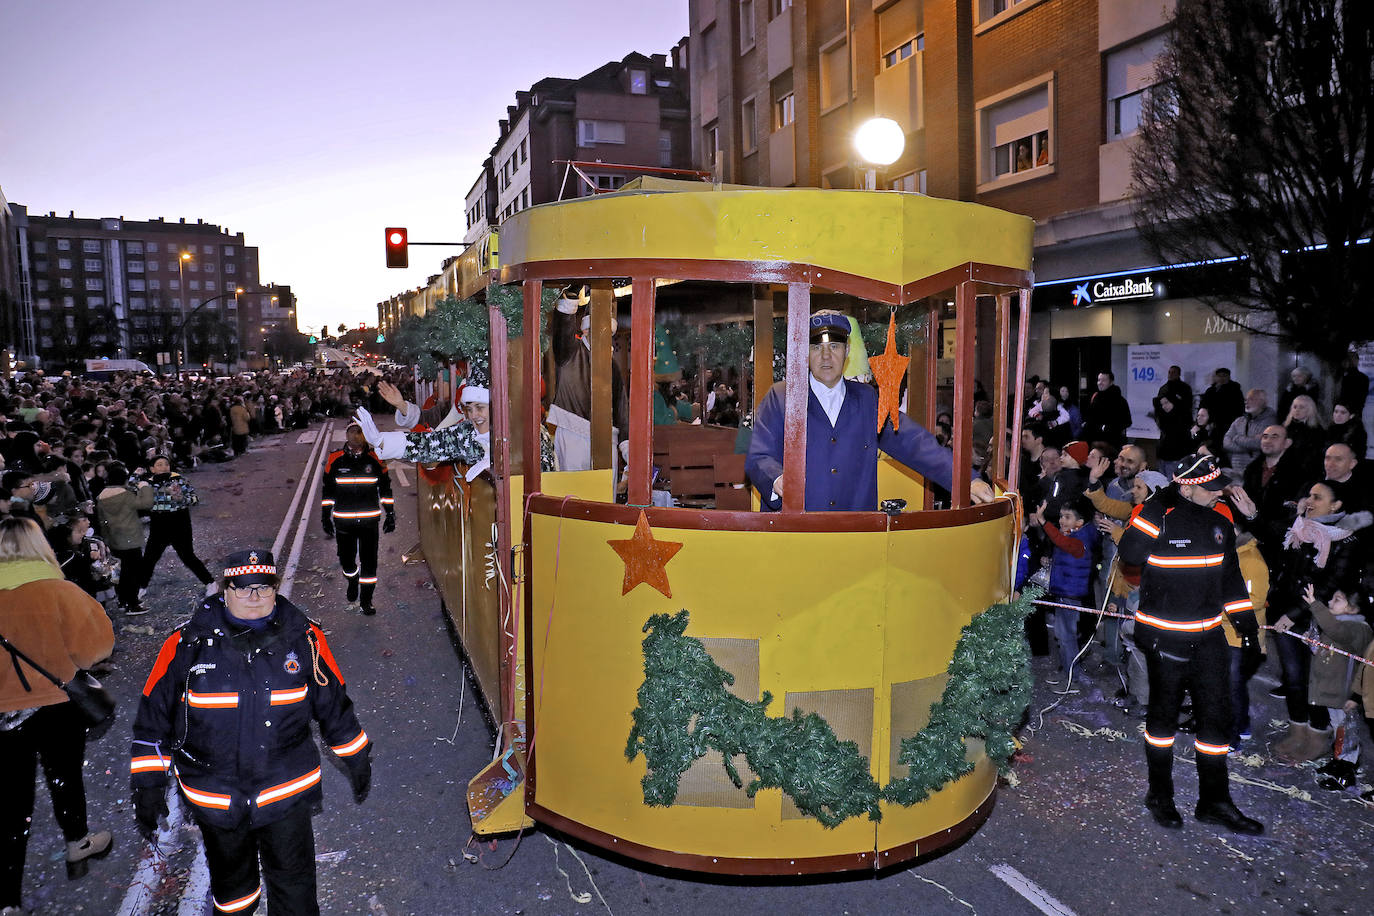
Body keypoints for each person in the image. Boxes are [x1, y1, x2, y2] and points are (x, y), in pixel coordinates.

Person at [130, 549, 372, 916]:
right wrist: (147, 782)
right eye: (243, 589)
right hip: (217, 799)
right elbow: (153, 717)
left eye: (264, 587)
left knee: (295, 893)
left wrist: (355, 755)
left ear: (275, 589)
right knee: (233, 896)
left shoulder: (305, 639)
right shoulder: (184, 644)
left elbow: (333, 703)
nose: (255, 597)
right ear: (224, 590)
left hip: (285, 792)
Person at [1116, 453, 1264, 834]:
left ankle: (1214, 801)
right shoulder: (1158, 516)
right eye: (1210, 489)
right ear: (1185, 487)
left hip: (1210, 637)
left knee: (1216, 721)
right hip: (1164, 635)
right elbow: (1130, 554)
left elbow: (1230, 578)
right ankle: (1159, 795)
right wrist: (1157, 502)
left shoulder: (1219, 523)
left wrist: (1246, 624)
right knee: (1163, 719)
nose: (1218, 494)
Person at [745, 311, 993, 511]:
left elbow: (914, 442)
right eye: (817, 347)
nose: (826, 356)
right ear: (805, 354)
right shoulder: (780, 397)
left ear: (847, 351)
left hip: (857, 535)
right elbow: (759, 457)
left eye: (834, 346)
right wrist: (778, 479)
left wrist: (964, 479)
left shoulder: (867, 400)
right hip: (795, 532)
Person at [0, 517, 115, 911]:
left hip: (1, 715)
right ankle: (77, 843)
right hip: (55, 706)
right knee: (64, 776)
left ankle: (6, 900)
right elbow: (96, 650)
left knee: (10, 805)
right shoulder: (59, 590)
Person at [1268, 479, 1370, 764]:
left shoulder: (1346, 539)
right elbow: (1281, 562)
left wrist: (1295, 613)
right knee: (1293, 678)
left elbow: (1330, 584)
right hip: (1285, 612)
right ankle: (1297, 730)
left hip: (1319, 620)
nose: (1310, 500)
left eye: (1318, 497)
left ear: (1336, 505)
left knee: (1319, 682)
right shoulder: (1298, 528)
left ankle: (1318, 735)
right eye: (1309, 495)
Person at [1299, 581, 1372, 791]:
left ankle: (1345, 770)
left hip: (1345, 690)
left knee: (1346, 729)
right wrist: (1313, 644)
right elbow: (1329, 650)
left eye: (1337, 600)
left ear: (1353, 608)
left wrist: (1315, 604)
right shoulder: (1339, 623)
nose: (1331, 602)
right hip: (1331, 688)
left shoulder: (1357, 628)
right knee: (1338, 725)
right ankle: (1339, 760)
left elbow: (1337, 632)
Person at [321, 422, 395, 615]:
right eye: (352, 432)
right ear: (346, 435)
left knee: (369, 562)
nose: (355, 436)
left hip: (370, 522)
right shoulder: (335, 459)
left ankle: (366, 601)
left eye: (359, 432)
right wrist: (325, 516)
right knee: (347, 561)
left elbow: (385, 489)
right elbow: (328, 490)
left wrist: (390, 514)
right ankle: (352, 580)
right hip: (343, 522)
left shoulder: (376, 459)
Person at [1031, 496, 1099, 685]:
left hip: (1070, 596)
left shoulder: (1080, 540)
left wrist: (1044, 521)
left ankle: (1071, 677)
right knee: (1063, 636)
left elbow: (1061, 542)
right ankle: (1067, 671)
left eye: (1067, 517)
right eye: (1061, 516)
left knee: (1066, 636)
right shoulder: (1072, 535)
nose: (1062, 520)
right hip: (1063, 592)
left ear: (1080, 522)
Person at [141, 456, 216, 597]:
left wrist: (182, 499)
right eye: (159, 464)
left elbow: (194, 499)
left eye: (166, 464)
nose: (164, 467)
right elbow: (142, 499)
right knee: (150, 558)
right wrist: (135, 475)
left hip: (180, 521)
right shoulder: (146, 484)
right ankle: (141, 587)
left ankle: (210, 582)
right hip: (159, 523)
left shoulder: (178, 479)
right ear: (152, 469)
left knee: (187, 556)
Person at [95, 461, 154, 616]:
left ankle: (122, 601)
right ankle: (132, 604)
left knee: (119, 572)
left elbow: (102, 521)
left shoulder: (101, 497)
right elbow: (146, 503)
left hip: (114, 540)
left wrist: (106, 540)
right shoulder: (125, 495)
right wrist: (144, 487)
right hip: (130, 539)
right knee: (133, 572)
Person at [1222, 389, 1278, 471]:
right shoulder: (1239, 421)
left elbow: (1259, 443)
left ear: (1262, 402)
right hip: (1237, 469)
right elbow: (1226, 443)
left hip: (1258, 470)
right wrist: (1249, 446)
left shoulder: (1270, 421)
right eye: (1246, 399)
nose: (1246, 402)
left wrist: (1237, 438)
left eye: (1251, 399)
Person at [1081, 371, 1132, 446]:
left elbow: (1127, 421)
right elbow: (1089, 417)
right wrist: (1086, 424)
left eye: (1104, 380)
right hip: (1092, 442)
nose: (1100, 383)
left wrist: (1105, 428)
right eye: (1099, 380)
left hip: (1110, 444)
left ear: (1111, 382)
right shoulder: (1095, 397)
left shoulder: (1119, 400)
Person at [1283, 393, 1325, 475]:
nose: (1297, 410)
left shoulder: (1317, 431)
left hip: (1305, 470)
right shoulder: (1285, 428)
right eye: (1295, 407)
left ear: (1310, 410)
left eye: (1301, 407)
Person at [1199, 368, 1246, 439]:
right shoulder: (1211, 390)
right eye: (1219, 376)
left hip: (1229, 422)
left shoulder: (1235, 390)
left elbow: (1240, 407)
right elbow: (1203, 405)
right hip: (1213, 423)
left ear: (1229, 377)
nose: (1221, 378)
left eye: (1224, 376)